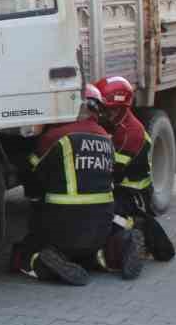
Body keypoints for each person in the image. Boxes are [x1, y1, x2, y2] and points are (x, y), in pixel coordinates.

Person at [12, 84, 141, 285]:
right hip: (102, 226)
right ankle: (119, 249)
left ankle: (42, 262)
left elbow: (33, 176)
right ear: (96, 110)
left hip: (63, 225)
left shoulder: (54, 137)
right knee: (94, 253)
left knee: (25, 250)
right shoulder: (107, 139)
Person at [92, 75, 175, 262]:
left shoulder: (132, 133)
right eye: (102, 110)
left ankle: (136, 230)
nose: (103, 114)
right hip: (120, 186)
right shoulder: (114, 123)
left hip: (132, 192)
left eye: (109, 111)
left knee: (106, 216)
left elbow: (112, 170)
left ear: (121, 109)